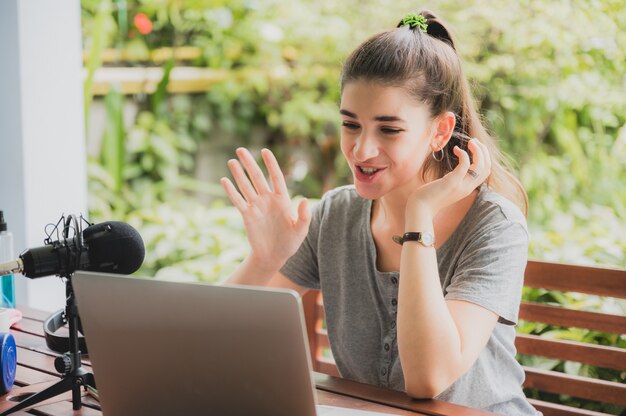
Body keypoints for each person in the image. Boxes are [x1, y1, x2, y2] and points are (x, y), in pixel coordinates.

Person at [220, 10, 540, 416]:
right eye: (350, 125)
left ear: (439, 131)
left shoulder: (494, 226)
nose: (361, 150)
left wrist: (419, 216)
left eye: (389, 130)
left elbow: (427, 379)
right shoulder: (336, 214)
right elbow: (221, 338)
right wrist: (263, 260)